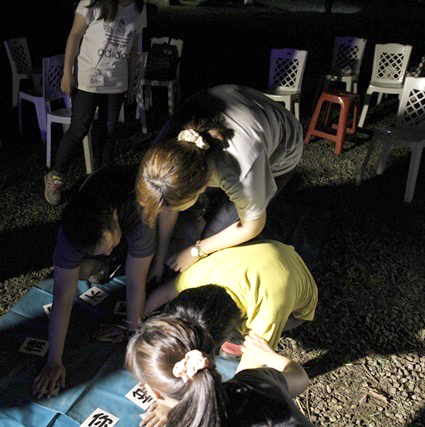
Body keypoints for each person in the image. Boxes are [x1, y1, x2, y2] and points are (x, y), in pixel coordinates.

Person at [136, 84, 303, 283]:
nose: (170, 210)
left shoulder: (240, 171)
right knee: (189, 226)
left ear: (201, 188)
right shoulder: (164, 149)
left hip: (283, 141)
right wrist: (159, 257)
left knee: (216, 238)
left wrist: (197, 250)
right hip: (243, 107)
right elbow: (167, 199)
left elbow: (252, 225)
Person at [33, 166, 155, 399]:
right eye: (102, 251)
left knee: (152, 270)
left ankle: (120, 256)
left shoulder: (139, 214)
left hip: (143, 215)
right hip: (110, 225)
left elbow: (135, 281)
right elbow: (63, 298)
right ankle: (109, 261)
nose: (108, 251)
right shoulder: (71, 233)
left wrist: (132, 331)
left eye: (109, 246)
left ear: (115, 217)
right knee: (81, 272)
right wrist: (54, 361)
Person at [126, 294, 314, 427]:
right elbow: (301, 378)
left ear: (153, 392)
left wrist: (174, 406)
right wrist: (268, 356)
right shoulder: (255, 382)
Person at [142, 240, 317, 372]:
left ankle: (234, 345)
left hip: (298, 308)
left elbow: (250, 369)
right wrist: (139, 324)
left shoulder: (266, 313)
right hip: (273, 253)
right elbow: (164, 293)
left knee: (233, 348)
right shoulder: (198, 275)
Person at [44, 0, 147, 205]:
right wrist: (67, 72)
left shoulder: (138, 8)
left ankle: (103, 179)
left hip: (116, 81)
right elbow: (75, 35)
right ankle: (55, 176)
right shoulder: (93, 2)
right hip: (88, 78)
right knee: (79, 128)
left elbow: (134, 49)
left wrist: (131, 82)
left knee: (109, 130)